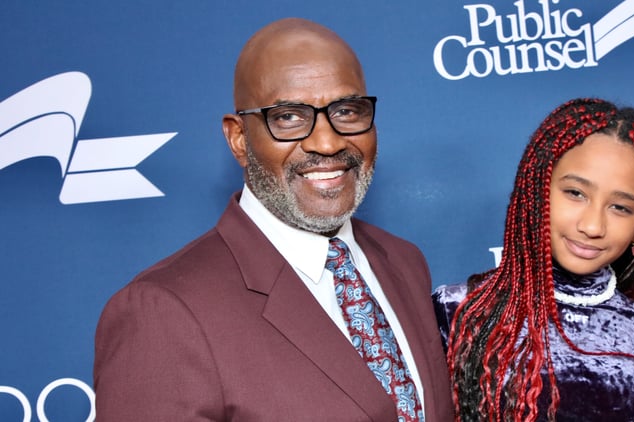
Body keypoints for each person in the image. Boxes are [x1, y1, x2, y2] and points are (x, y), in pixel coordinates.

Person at [93, 18, 454, 421]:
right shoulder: (163, 312)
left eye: (347, 110)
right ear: (239, 139)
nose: (327, 141)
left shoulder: (403, 261)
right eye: (288, 117)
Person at [433, 98, 634, 421]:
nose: (592, 226)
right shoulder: (456, 308)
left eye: (620, 208)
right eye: (576, 194)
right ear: (537, 188)